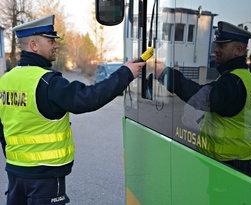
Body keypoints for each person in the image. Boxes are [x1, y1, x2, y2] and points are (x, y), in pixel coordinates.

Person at [0, 14, 145, 205]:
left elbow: (3, 129)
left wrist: (16, 162)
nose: (56, 45)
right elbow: (89, 98)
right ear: (34, 45)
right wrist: (125, 74)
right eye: (51, 41)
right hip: (45, 175)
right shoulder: (48, 82)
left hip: (16, 173)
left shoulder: (6, 80)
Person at [153, 21, 251, 175]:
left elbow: (200, 97)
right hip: (239, 159)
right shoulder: (245, 78)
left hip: (228, 164)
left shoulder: (233, 83)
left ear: (238, 50)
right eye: (216, 45)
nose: (216, 49)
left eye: (222, 46)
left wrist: (165, 75)